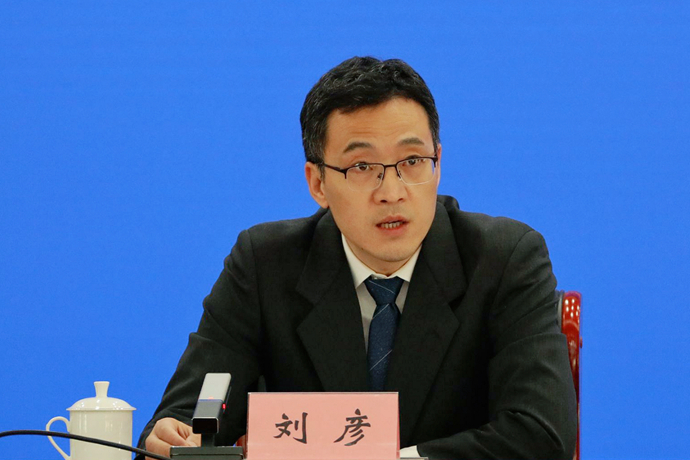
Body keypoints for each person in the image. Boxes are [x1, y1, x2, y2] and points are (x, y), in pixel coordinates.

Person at [138, 56, 577, 460]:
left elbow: (542, 434)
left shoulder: (504, 260)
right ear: (318, 183)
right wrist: (172, 436)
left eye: (412, 160)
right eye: (362, 167)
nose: (392, 191)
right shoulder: (264, 265)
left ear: (438, 163)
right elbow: (187, 415)